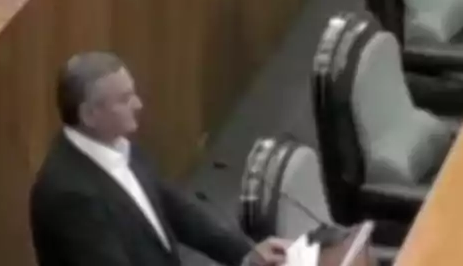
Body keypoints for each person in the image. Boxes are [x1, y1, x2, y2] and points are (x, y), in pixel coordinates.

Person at [30, 52, 288, 266]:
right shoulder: (68, 195)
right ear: (88, 115)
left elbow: (177, 210)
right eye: (124, 99)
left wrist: (244, 255)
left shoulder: (119, 147)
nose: (138, 104)